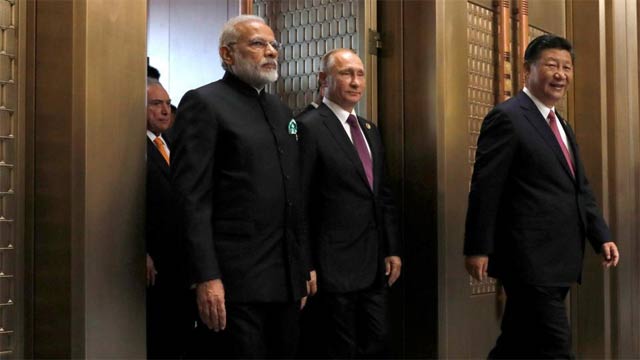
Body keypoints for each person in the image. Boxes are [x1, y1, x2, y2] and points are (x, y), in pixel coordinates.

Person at [464, 34, 620, 359]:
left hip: (560, 259)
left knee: (516, 343)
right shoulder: (507, 117)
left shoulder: (562, 124)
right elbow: (485, 187)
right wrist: (478, 247)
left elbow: (580, 188)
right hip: (527, 259)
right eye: (551, 65)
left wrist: (600, 234)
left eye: (566, 67)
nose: (560, 74)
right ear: (527, 70)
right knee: (555, 345)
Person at [170, 15, 311, 358]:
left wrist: (302, 266)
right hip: (234, 282)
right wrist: (205, 276)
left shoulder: (281, 111)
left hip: (285, 279)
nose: (271, 52)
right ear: (227, 54)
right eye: (258, 44)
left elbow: (294, 195)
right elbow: (192, 198)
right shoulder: (204, 103)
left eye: (273, 44)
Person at [297, 48, 402, 358]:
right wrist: (306, 264)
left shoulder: (370, 130)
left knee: (378, 341)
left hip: (373, 263)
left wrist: (392, 247)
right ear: (323, 80)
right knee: (339, 348)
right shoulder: (308, 126)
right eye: (346, 74)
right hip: (331, 266)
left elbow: (382, 194)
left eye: (360, 74)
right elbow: (299, 201)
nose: (355, 82)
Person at [145, 79, 192, 358]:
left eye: (167, 104)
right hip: (155, 260)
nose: (165, 111)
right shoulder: (128, 148)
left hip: (182, 259)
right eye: (155, 104)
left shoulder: (174, 144)